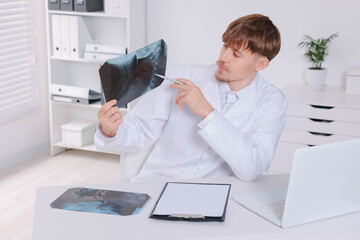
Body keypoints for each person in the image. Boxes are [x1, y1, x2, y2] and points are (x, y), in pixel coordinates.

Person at [95, 14, 287, 182]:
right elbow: (140, 129)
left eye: (236, 54)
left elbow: (251, 168)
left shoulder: (272, 101)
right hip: (156, 185)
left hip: (212, 198)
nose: (223, 57)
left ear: (261, 64)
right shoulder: (182, 77)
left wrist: (207, 112)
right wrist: (111, 131)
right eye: (225, 47)